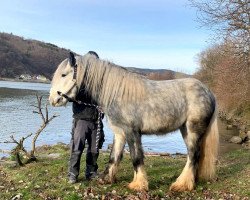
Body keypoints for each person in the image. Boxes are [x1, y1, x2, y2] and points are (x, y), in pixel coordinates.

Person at [68, 51, 105, 183]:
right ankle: (73, 174)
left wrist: (103, 107)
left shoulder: (100, 83)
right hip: (81, 120)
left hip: (96, 121)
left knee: (94, 150)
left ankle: (91, 172)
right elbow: (70, 94)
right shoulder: (79, 78)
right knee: (77, 148)